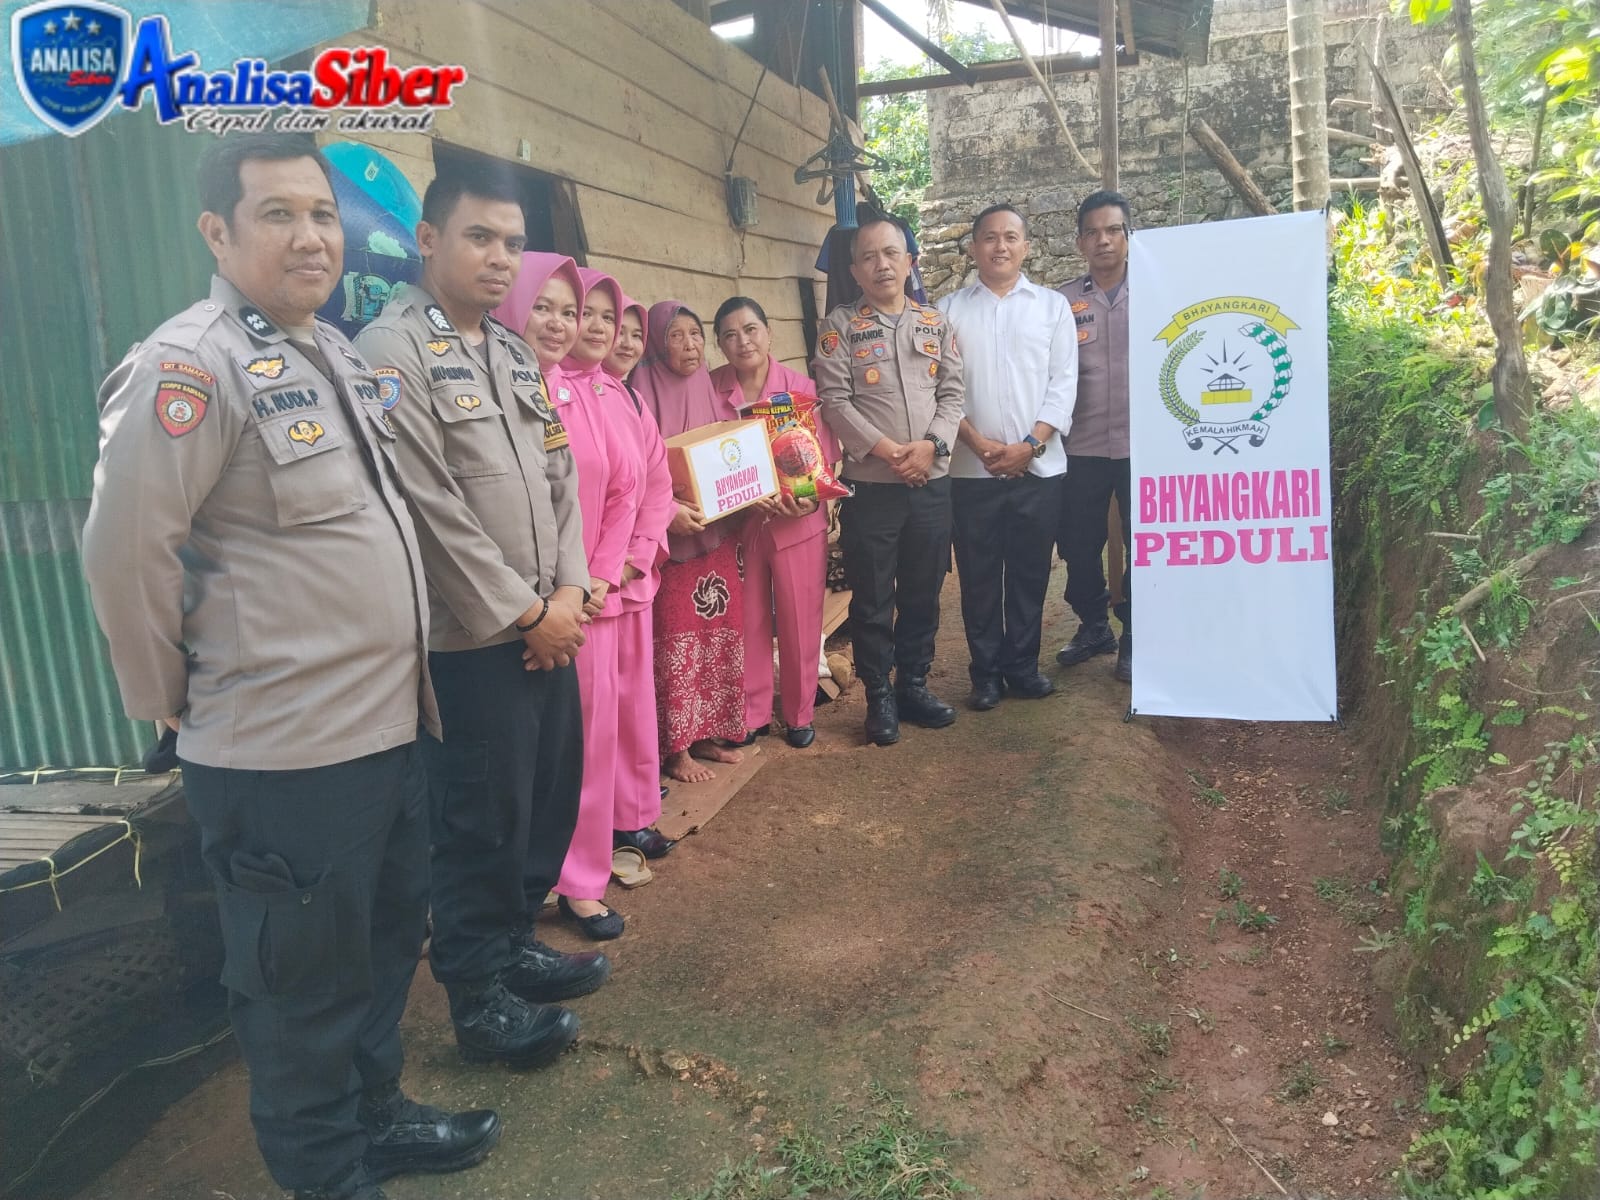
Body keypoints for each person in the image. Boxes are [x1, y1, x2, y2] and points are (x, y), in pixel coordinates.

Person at [82, 133, 497, 1200]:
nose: (311, 236)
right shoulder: (188, 365)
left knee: (378, 950)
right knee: (298, 988)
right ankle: (326, 1173)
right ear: (216, 232)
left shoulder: (337, 357)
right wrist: (171, 702)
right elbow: (126, 554)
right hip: (279, 755)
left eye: (320, 213)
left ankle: (376, 1118)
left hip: (384, 731)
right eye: (278, 214)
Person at [356, 169, 608, 1070]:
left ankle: (513, 945)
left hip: (548, 625)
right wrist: (527, 613)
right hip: (472, 644)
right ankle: (478, 999)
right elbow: (428, 509)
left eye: (512, 242)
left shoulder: (510, 351)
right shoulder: (391, 351)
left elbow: (561, 478)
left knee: (542, 799)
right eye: (479, 237)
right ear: (428, 240)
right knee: (478, 822)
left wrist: (570, 593)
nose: (500, 258)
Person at [813, 212, 965, 746]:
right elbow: (834, 401)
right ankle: (879, 695)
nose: (881, 264)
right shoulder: (838, 328)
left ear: (910, 262)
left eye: (891, 253)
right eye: (869, 256)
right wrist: (889, 451)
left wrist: (931, 447)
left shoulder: (935, 323)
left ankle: (913, 686)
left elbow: (953, 395)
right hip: (873, 488)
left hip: (930, 483)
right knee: (873, 597)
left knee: (924, 591)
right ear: (855, 270)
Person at [939, 203, 1078, 710]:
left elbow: (1063, 383)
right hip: (970, 470)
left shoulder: (1052, 307)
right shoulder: (947, 311)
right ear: (973, 247)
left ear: (1026, 246)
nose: (1000, 246)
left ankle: (1022, 667)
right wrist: (976, 443)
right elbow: (941, 388)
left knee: (1029, 572)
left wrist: (1030, 445)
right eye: (990, 237)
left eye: (1011, 237)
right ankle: (986, 675)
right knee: (978, 577)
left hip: (1038, 469)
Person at [710, 296, 839, 749]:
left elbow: (823, 455)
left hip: (797, 522)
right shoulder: (710, 391)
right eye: (729, 334)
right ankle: (753, 713)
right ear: (720, 344)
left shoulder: (800, 388)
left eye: (751, 329)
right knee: (748, 620)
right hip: (739, 525)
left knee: (800, 619)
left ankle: (800, 713)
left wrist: (805, 500)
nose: (742, 341)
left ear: (769, 333)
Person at [630, 301, 748, 783]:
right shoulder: (640, 390)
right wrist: (669, 511)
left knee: (716, 636)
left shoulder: (707, 387)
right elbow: (638, 468)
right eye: (676, 336)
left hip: (716, 537)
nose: (690, 345)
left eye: (696, 334)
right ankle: (676, 749)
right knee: (674, 643)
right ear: (658, 344)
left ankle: (707, 734)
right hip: (672, 544)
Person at [599, 291, 679, 855]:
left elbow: (657, 484)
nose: (624, 342)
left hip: (633, 577)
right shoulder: (566, 396)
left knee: (633, 703)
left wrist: (640, 552)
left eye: (633, 332)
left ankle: (633, 810)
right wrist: (613, 564)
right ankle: (599, 823)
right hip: (595, 585)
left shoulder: (631, 399)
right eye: (613, 328)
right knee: (600, 712)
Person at [1055, 190, 1134, 683]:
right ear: (1080, 241)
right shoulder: (1062, 302)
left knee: (1145, 543)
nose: (1103, 240)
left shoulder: (1160, 289)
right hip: (1080, 447)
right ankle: (1093, 624)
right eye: (1093, 232)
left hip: (1143, 448)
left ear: (1128, 235)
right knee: (1077, 544)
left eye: (1113, 230)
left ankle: (1136, 636)